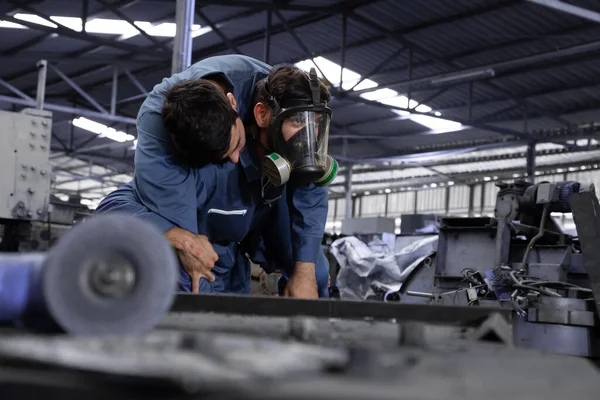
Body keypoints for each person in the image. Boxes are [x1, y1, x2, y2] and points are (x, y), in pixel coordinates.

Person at [95, 54, 337, 298]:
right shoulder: (159, 127)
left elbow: (309, 181)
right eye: (226, 154)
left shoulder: (285, 99)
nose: (234, 158)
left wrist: (304, 272)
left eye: (238, 144)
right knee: (188, 273)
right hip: (211, 203)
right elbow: (188, 242)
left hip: (262, 199)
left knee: (315, 276)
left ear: (235, 105)